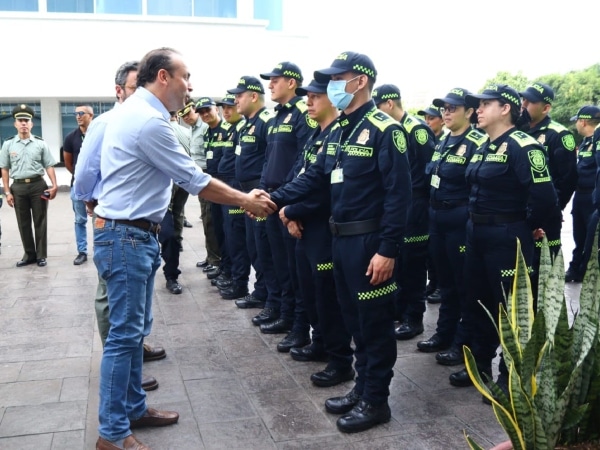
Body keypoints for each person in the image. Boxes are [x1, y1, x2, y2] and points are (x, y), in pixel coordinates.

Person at [76, 47, 275, 450]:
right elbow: (193, 177)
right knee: (124, 336)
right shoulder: (149, 121)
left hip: (131, 235)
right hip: (127, 238)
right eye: (186, 76)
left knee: (132, 334)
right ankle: (112, 433)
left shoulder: (134, 113)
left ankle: (133, 408)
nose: (191, 86)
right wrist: (245, 200)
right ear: (163, 77)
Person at [269, 51, 412, 433]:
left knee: (374, 323)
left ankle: (376, 401)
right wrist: (273, 200)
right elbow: (314, 178)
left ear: (360, 81)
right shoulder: (338, 130)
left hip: (370, 244)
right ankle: (361, 387)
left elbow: (400, 196)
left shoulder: (386, 130)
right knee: (353, 320)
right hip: (340, 240)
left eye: (338, 78)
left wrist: (388, 250)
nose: (332, 86)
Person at [449, 84, 558, 393]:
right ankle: (479, 365)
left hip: (507, 237)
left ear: (506, 108)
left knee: (511, 309)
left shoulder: (524, 146)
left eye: (485, 104)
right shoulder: (484, 145)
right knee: (479, 302)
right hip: (477, 234)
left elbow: (545, 197)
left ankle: (510, 377)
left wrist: (531, 226)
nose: (478, 110)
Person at [74, 60, 166, 394]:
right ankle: (122, 361)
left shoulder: (145, 120)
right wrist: (93, 202)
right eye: (133, 88)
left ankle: (133, 352)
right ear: (119, 91)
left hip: (139, 226)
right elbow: (84, 172)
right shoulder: (107, 122)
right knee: (111, 297)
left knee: (136, 297)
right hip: (114, 222)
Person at [278, 78, 354, 385]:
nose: (308, 102)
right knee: (309, 292)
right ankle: (320, 343)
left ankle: (340, 360)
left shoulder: (339, 135)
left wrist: (290, 210)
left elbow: (327, 190)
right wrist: (287, 211)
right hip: (302, 228)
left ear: (332, 99)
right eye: (306, 97)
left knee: (327, 298)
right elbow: (299, 175)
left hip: (323, 228)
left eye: (314, 97)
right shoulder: (314, 135)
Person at [416, 88, 487, 368]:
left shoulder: (476, 142)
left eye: (452, 108)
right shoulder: (444, 140)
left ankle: (463, 342)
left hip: (459, 221)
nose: (446, 112)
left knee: (465, 285)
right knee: (445, 283)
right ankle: (444, 333)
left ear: (469, 112)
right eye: (443, 108)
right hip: (437, 219)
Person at [258, 61, 317, 345]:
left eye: (275, 79)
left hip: (288, 200)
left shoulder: (303, 114)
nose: (270, 84)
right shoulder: (276, 117)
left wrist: (290, 206)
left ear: (292, 82)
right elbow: (269, 159)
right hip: (271, 198)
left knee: (296, 270)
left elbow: (304, 163)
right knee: (278, 263)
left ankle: (298, 325)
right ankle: (284, 312)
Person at [373, 84, 436, 340]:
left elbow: (428, 169)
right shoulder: (391, 130)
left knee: (413, 263)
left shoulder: (416, 129)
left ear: (389, 104)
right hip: (401, 204)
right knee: (399, 261)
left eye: (378, 106)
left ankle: (414, 316)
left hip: (417, 205)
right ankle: (400, 309)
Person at [519, 82, 577, 296]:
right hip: (520, 215)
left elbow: (568, 179)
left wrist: (553, 208)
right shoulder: (518, 131)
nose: (524, 105)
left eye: (530, 101)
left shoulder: (559, 135)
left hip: (546, 216)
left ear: (546, 108)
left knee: (545, 271)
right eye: (523, 99)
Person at [227, 76, 277, 316]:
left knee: (264, 248)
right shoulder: (246, 124)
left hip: (260, 192)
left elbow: (271, 159)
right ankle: (260, 290)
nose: (236, 100)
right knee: (253, 245)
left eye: (240, 95)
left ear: (254, 96)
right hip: (247, 192)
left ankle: (269, 296)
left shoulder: (267, 121)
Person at [0, 104, 58, 267]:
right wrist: (7, 192)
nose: (23, 123)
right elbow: (4, 168)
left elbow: (49, 165)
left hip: (38, 185)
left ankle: (41, 255)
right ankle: (29, 255)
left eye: (26, 120)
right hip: (18, 187)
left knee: (40, 220)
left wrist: (54, 185)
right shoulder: (8, 144)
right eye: (20, 120)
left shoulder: (40, 143)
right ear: (15, 124)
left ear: (31, 124)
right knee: (23, 222)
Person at [213, 93, 252, 300]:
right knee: (228, 235)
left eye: (230, 107)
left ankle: (240, 283)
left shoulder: (243, 129)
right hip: (227, 185)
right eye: (224, 107)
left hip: (237, 187)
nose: (226, 111)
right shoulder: (232, 130)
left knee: (237, 239)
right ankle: (233, 275)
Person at [195, 97, 233, 292]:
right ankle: (223, 267)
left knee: (228, 232)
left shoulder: (227, 131)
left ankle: (229, 271)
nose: (205, 115)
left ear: (215, 110)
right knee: (216, 228)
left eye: (207, 110)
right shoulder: (208, 133)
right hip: (212, 187)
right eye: (201, 112)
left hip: (225, 187)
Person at [178, 101, 219, 273]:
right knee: (206, 218)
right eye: (183, 116)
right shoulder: (193, 129)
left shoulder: (204, 128)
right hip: (199, 177)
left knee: (210, 219)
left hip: (207, 175)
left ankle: (216, 260)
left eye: (189, 114)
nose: (187, 118)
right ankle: (211, 256)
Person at [566, 106, 600, 281]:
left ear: (583, 121)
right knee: (579, 236)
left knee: (591, 238)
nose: (576, 125)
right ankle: (575, 269)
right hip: (579, 196)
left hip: (592, 197)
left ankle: (586, 272)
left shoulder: (597, 141)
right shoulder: (586, 141)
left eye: (577, 121)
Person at [417, 102, 445, 304]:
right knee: (431, 249)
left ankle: (440, 285)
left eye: (431, 118)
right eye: (425, 118)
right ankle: (434, 282)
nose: (427, 122)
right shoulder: (436, 141)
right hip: (430, 202)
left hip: (445, 206)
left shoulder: (446, 140)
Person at [63, 104, 94, 265]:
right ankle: (82, 251)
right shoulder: (70, 137)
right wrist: (80, 176)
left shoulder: (98, 135)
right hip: (77, 186)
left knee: (99, 219)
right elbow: (68, 163)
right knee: (80, 219)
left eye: (81, 113)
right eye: (76, 113)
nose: (78, 116)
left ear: (91, 115)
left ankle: (101, 249)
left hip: (97, 187)